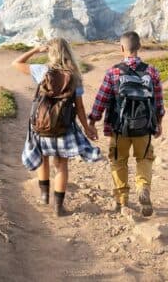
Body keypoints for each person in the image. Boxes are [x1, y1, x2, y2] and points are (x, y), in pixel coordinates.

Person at [11, 38, 101, 216]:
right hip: (64, 128)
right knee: (61, 166)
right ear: (68, 52)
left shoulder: (42, 71)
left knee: (43, 159)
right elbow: (80, 107)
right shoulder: (75, 76)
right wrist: (87, 128)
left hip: (42, 126)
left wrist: (36, 50)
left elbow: (16, 63)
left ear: (50, 53)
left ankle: (44, 197)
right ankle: (58, 208)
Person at [88, 31, 165, 217]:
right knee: (144, 159)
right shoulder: (152, 71)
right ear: (139, 47)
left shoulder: (113, 71)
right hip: (144, 127)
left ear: (121, 48)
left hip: (118, 127)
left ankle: (122, 201)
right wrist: (158, 123)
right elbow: (158, 102)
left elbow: (102, 99)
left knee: (118, 162)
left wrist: (92, 121)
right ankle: (143, 188)